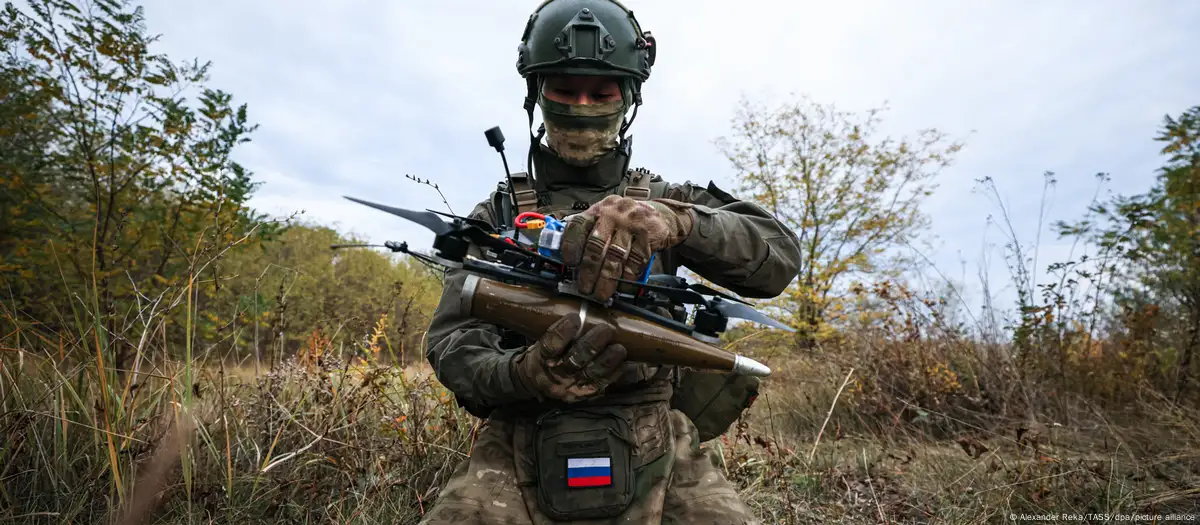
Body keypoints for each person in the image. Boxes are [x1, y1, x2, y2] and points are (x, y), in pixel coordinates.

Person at [419, 0, 801, 523]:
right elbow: (451, 343)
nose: (581, 106)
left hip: (659, 438)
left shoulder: (671, 199)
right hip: (516, 439)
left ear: (629, 96)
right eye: (563, 89)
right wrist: (523, 374)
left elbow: (779, 258)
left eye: (600, 93)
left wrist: (681, 222)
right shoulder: (497, 216)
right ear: (536, 92)